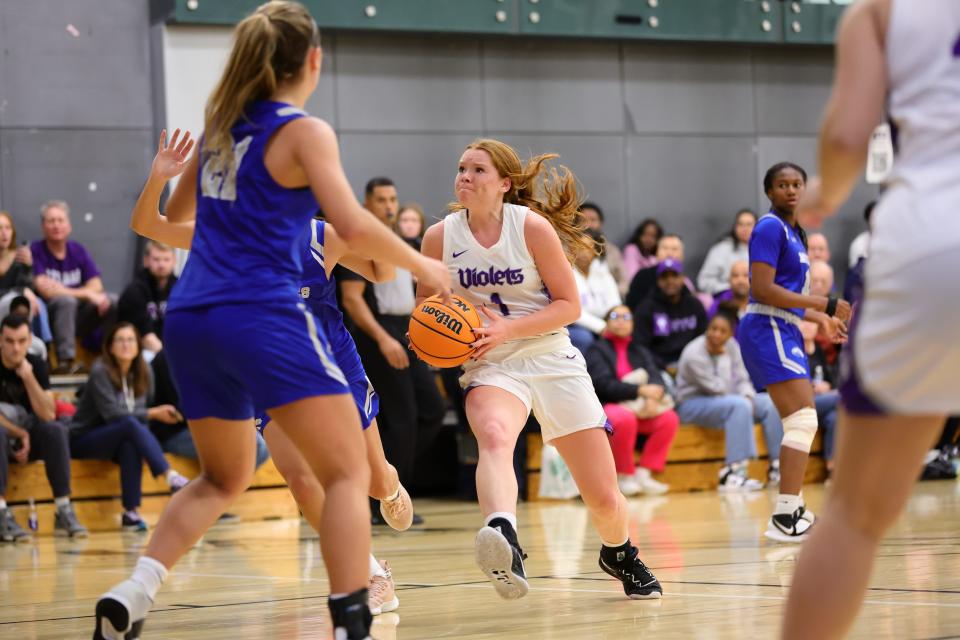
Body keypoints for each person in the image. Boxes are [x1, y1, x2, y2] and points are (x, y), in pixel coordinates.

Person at [93, 4, 450, 638]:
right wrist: (429, 271)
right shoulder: (304, 131)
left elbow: (169, 219)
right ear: (312, 61)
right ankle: (353, 615)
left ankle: (137, 587)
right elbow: (358, 223)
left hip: (193, 319)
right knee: (341, 474)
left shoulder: (221, 127)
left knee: (222, 477)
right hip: (263, 317)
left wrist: (160, 177)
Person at [419, 138, 662, 601]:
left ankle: (619, 551)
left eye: (477, 170)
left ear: (505, 184)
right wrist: (435, 342)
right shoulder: (439, 238)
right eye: (461, 168)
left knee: (605, 499)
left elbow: (570, 306)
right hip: (489, 361)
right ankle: (502, 531)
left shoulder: (530, 227)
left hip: (550, 354)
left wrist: (510, 329)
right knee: (493, 434)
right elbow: (425, 311)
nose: (464, 177)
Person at [784, 2, 960, 637]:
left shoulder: (882, 10)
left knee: (855, 515)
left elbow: (845, 138)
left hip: (931, 242)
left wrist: (827, 194)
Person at [736, 162, 851, 544]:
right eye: (782, 185)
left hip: (780, 325)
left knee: (799, 421)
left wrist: (818, 317)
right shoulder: (769, 227)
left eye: (796, 183)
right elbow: (764, 290)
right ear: (769, 191)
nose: (790, 190)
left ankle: (793, 507)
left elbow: (787, 296)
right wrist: (825, 302)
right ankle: (786, 514)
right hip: (767, 325)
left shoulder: (793, 232)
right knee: (803, 420)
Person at [337, 177, 445, 519]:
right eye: (381, 199)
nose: (388, 205)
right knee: (401, 417)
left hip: (406, 328)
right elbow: (352, 299)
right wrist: (384, 339)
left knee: (431, 410)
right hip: (376, 332)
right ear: (367, 203)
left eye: (393, 198)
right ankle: (386, 499)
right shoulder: (360, 238)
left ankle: (386, 485)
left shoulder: (397, 239)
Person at [69, 323, 190, 532]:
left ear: (138, 345)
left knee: (130, 443)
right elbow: (113, 415)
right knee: (127, 425)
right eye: (120, 340)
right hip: (84, 438)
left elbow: (140, 414)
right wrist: (153, 413)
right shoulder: (100, 370)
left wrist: (146, 440)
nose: (126, 345)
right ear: (111, 347)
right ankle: (169, 476)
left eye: (130, 340)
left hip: (121, 437)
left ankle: (130, 512)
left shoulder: (144, 372)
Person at [675, 311, 784, 491]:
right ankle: (733, 473)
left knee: (768, 403)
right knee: (739, 406)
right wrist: (723, 358)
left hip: (727, 400)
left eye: (723, 331)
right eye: (713, 329)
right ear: (707, 329)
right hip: (691, 404)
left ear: (730, 334)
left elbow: (742, 379)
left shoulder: (733, 346)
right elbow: (718, 388)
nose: (716, 334)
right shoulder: (693, 353)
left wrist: (748, 396)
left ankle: (776, 467)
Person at [0, 315, 87, 541]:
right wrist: (20, 433)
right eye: (9, 341)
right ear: (0, 339)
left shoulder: (36, 365)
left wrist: (28, 377)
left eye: (21, 341)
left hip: (28, 439)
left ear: (30, 340)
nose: (15, 348)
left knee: (55, 429)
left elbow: (48, 414)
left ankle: (63, 508)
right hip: (6, 436)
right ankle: (1, 513)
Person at [585, 305, 677, 496]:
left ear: (633, 324)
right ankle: (624, 475)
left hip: (640, 407)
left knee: (669, 419)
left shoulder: (640, 350)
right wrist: (641, 390)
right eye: (614, 316)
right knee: (623, 418)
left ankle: (644, 473)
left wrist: (654, 398)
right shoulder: (596, 350)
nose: (620, 320)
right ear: (607, 322)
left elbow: (655, 376)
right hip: (610, 406)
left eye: (626, 316)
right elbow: (603, 385)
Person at [31, 200, 116, 374]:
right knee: (66, 301)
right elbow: (45, 291)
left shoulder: (77, 250)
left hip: (79, 318)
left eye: (60, 220)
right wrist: (86, 293)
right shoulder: (35, 250)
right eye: (51, 220)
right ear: (43, 226)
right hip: (51, 318)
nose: (56, 225)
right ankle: (66, 362)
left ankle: (111, 356)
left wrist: (65, 289)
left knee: (111, 300)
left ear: (68, 225)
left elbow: (97, 285)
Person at [631, 258, 707, 371]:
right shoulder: (646, 308)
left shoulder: (694, 305)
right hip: (659, 367)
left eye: (674, 276)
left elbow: (702, 338)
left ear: (682, 279)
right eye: (665, 277)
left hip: (692, 363)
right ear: (658, 281)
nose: (670, 281)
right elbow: (640, 346)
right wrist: (664, 367)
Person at [118, 241, 178, 357]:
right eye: (156, 259)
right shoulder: (134, 291)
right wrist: (167, 359)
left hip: (171, 350)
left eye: (166, 259)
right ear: (146, 261)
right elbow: (146, 338)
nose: (161, 265)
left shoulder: (181, 289)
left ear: (174, 261)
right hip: (139, 352)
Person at [0, 211, 51, 344]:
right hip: (5, 302)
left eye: (8, 228)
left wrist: (28, 267)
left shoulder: (20, 254)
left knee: (37, 303)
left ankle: (43, 345)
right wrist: (20, 291)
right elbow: (22, 290)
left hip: (18, 301)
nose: (4, 233)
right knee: (14, 300)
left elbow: (28, 288)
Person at [569, 229, 623, 354]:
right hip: (575, 326)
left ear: (596, 251)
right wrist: (601, 327)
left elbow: (615, 304)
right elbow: (572, 311)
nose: (583, 251)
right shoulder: (566, 272)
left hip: (605, 324)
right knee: (584, 338)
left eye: (588, 247)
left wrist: (614, 323)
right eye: (579, 246)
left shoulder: (602, 272)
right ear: (572, 248)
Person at [624, 234, 705, 310]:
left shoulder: (685, 282)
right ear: (656, 253)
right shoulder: (642, 277)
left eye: (674, 249)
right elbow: (632, 306)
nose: (669, 253)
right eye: (665, 248)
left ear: (682, 255)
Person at [696, 208, 756, 295]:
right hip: (728, 298)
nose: (745, 228)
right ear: (735, 227)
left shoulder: (766, 248)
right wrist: (731, 288)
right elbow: (703, 281)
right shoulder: (721, 249)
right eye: (741, 224)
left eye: (749, 224)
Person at [580, 202, 628, 294]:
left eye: (593, 220)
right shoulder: (566, 248)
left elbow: (624, 282)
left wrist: (610, 298)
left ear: (601, 223)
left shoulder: (612, 251)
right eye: (583, 220)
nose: (588, 224)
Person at [8, 295, 48, 361]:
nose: (21, 319)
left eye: (25, 315)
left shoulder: (38, 346)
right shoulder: (2, 344)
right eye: (18, 315)